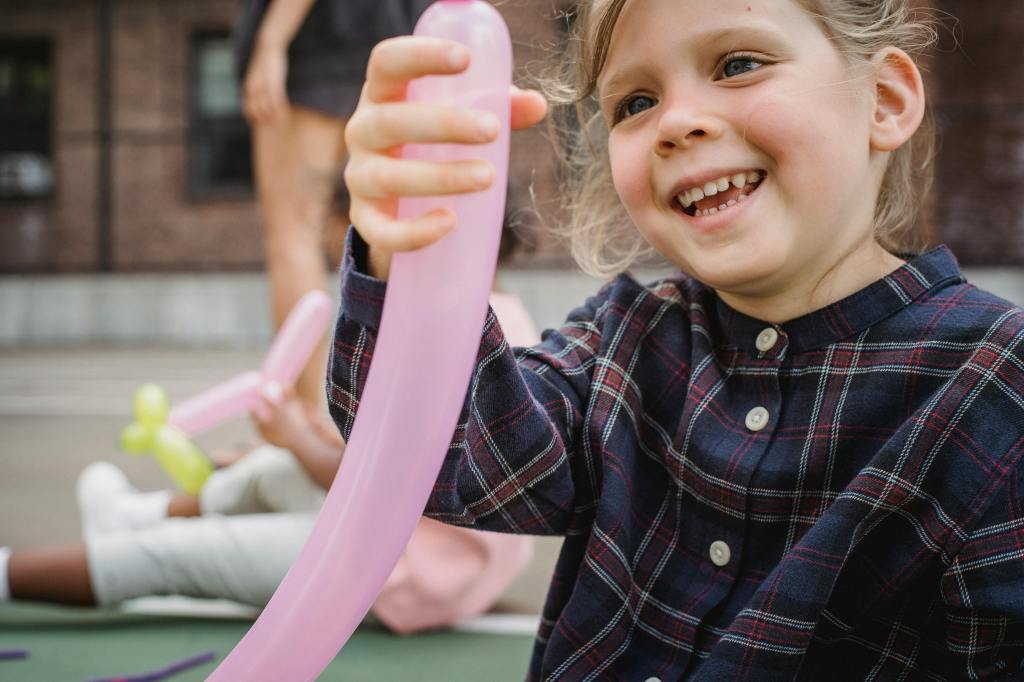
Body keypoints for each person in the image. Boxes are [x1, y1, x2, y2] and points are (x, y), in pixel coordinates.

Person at [327, 0, 1024, 679]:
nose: (677, 123)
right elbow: (445, 458)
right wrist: (411, 245)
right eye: (634, 103)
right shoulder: (625, 338)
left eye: (738, 63)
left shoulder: (993, 383)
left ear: (886, 99)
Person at [0, 291, 538, 634]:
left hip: (396, 571)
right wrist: (291, 445)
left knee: (174, 557)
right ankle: (133, 515)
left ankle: (21, 570)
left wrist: (297, 438)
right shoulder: (499, 311)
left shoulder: (442, 333)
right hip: (451, 553)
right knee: (266, 472)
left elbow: (384, 486)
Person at [235, 0, 431, 415]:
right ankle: (391, 418)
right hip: (398, 31)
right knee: (380, 228)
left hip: (321, 38)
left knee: (293, 234)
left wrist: (272, 39)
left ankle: (307, 423)